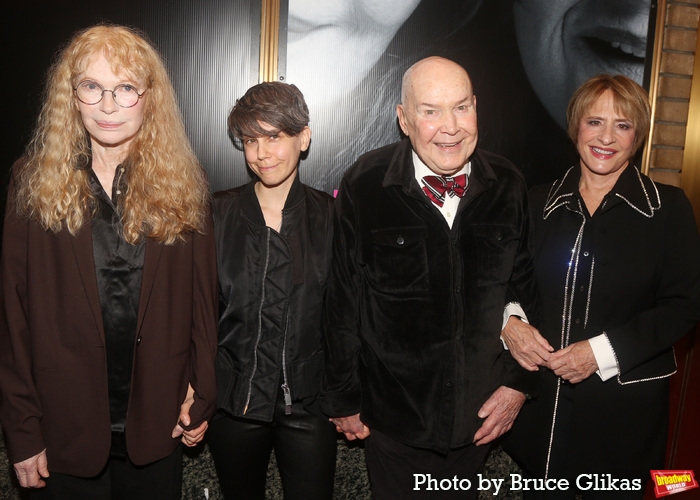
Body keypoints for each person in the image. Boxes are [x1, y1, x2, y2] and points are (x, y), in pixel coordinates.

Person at [0, 24, 218, 499]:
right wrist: (22, 430)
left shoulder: (187, 180)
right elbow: (11, 319)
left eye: (124, 88)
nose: (107, 104)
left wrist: (202, 391)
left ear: (149, 96)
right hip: (64, 431)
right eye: (92, 87)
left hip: (160, 424)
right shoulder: (31, 181)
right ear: (72, 96)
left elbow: (203, 301)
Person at [320, 56, 540, 499]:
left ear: (477, 106)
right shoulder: (365, 184)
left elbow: (525, 293)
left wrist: (518, 385)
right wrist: (344, 400)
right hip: (394, 422)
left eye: (461, 107)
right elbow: (342, 302)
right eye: (430, 110)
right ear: (403, 119)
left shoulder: (509, 185)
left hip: (478, 422)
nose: (451, 126)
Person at [502, 74, 700, 498]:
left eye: (623, 125)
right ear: (575, 127)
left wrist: (601, 351)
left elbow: (684, 305)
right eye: (594, 122)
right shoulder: (537, 202)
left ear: (637, 136)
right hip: (540, 412)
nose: (606, 137)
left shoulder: (668, 210)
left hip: (621, 419)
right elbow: (505, 281)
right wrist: (511, 322)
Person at [207, 82, 337, 500]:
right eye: (250, 140)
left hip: (309, 403)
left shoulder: (333, 217)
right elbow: (197, 313)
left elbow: (348, 316)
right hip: (235, 401)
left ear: (304, 137)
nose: (261, 154)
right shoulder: (216, 213)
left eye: (274, 136)